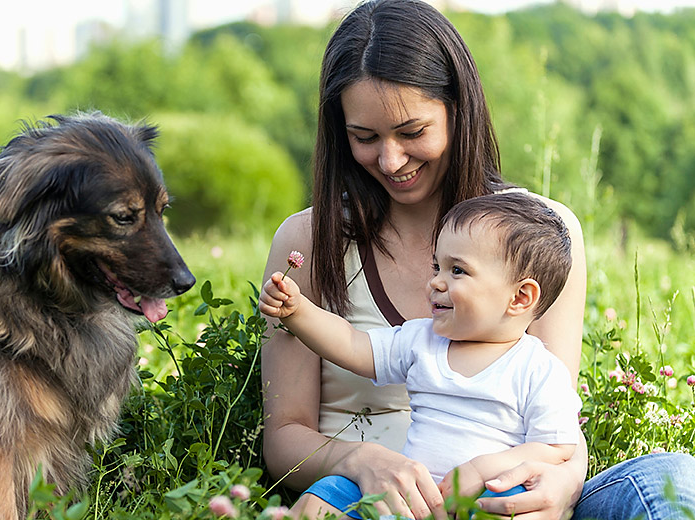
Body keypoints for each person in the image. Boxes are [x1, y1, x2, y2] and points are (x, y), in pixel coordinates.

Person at [259, 0, 695, 519]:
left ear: (458, 110)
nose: (391, 160)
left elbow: (556, 430)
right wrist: (359, 461)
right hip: (373, 501)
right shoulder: (308, 239)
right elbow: (284, 435)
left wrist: (560, 486)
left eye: (413, 132)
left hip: (496, 500)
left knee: (670, 478)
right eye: (365, 138)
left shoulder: (539, 236)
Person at [260, 193, 582, 512]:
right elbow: (353, 345)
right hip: (410, 498)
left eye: (457, 270)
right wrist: (299, 311)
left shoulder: (539, 369)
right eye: (436, 266)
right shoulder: (423, 341)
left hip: (483, 496)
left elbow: (556, 446)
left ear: (520, 297)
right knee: (326, 494)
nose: (435, 283)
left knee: (509, 504)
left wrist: (486, 469)